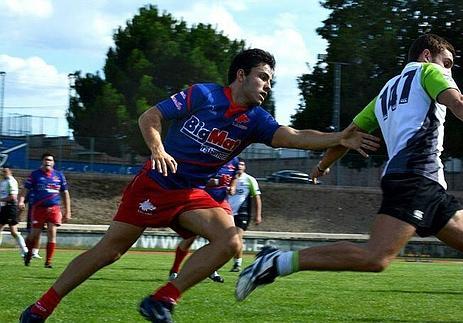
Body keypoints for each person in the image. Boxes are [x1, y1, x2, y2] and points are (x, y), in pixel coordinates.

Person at [19, 48, 380, 323]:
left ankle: (163, 298)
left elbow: (295, 135)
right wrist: (157, 148)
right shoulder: (203, 95)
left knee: (231, 241)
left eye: (270, 80)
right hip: (154, 185)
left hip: (192, 193)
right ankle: (42, 306)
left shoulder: (256, 119)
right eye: (263, 77)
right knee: (109, 252)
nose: (267, 86)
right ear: (241, 75)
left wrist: (340, 137)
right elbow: (151, 116)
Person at [235, 35, 463, 323]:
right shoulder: (429, 71)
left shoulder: (386, 92)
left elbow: (348, 135)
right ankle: (276, 261)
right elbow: (460, 103)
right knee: (375, 257)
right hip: (415, 178)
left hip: (424, 184)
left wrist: (324, 165)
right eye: (447, 62)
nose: (449, 70)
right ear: (427, 55)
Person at [168, 157, 240, 283]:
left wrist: (232, 187)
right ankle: (174, 270)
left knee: (228, 237)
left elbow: (234, 177)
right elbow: (197, 181)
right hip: (201, 201)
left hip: (222, 201)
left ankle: (212, 270)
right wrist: (218, 182)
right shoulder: (212, 156)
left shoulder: (235, 160)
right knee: (190, 239)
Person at [19, 153, 71, 269]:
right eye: (46, 160)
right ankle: (28, 255)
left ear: (53, 163)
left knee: (52, 233)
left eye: (50, 160)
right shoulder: (35, 175)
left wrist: (68, 211)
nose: (48, 162)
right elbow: (25, 189)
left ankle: (48, 262)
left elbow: (65, 193)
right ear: (42, 161)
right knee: (34, 235)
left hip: (54, 208)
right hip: (38, 208)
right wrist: (21, 201)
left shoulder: (59, 176)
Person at [228, 158, 262, 272]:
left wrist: (258, 215)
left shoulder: (249, 179)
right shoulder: (229, 178)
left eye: (242, 164)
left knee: (237, 238)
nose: (240, 166)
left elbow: (257, 197)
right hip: (227, 212)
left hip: (243, 213)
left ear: (245, 167)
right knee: (226, 239)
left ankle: (237, 263)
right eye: (238, 164)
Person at [0, 165, 28, 257]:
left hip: (10, 208)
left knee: (13, 231)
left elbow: (13, 197)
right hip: (4, 208)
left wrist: (1, 200)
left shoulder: (11, 181)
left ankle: (25, 250)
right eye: (3, 171)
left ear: (10, 171)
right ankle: (25, 250)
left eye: (5, 171)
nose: (3, 173)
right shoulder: (3, 181)